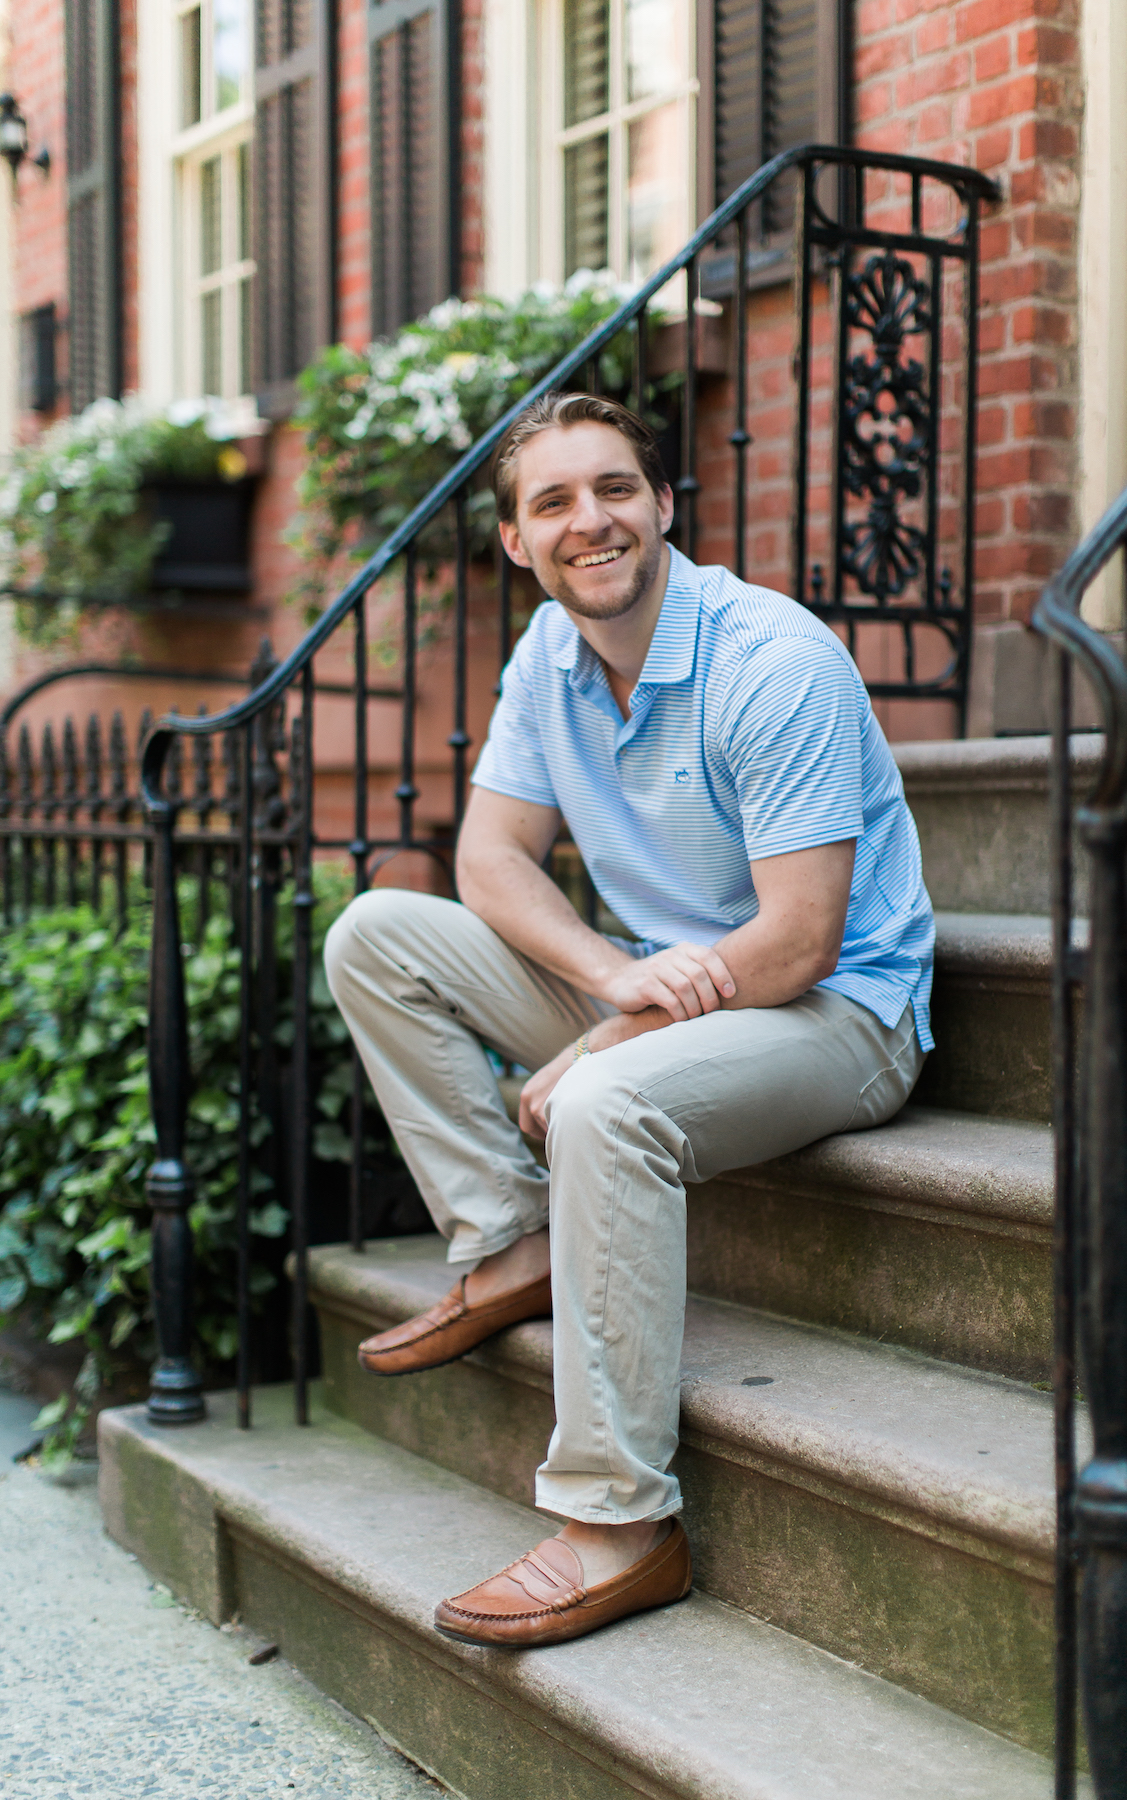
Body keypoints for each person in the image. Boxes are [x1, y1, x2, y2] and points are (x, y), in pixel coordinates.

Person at [323, 391, 934, 1649]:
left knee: (605, 1101)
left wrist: (614, 1039)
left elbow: (801, 935)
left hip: (837, 1013)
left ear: (663, 505)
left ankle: (620, 1523)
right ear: (514, 542)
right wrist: (612, 982)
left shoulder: (771, 658)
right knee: (374, 934)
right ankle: (510, 1239)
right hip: (667, 984)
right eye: (552, 502)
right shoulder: (547, 660)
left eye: (613, 489)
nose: (587, 521)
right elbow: (490, 857)